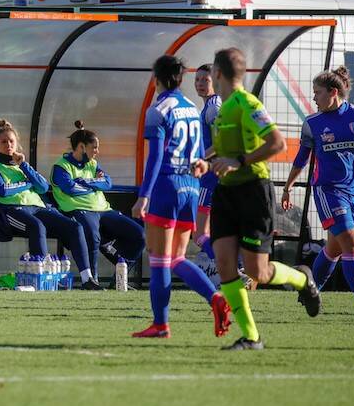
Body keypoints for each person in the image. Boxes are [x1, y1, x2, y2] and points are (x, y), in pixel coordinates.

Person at [191, 47, 321, 351]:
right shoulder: (221, 108)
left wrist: (240, 160)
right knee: (224, 263)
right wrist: (205, 162)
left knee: (256, 271)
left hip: (253, 192)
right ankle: (251, 337)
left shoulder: (247, 104)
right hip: (226, 192)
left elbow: (276, 143)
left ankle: (303, 280)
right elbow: (222, 151)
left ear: (217, 75)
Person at [131, 56, 230, 339]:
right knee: (176, 257)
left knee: (160, 258)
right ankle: (215, 298)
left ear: (157, 78)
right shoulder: (190, 108)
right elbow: (201, 151)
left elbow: (156, 156)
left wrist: (143, 196)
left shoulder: (159, 109)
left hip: (166, 186)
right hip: (190, 187)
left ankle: (161, 325)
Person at [281, 66, 354, 316]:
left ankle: (310, 291)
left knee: (333, 249)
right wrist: (288, 187)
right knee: (351, 245)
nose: (313, 98)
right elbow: (301, 159)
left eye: (317, 93)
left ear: (333, 92)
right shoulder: (312, 123)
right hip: (327, 191)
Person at [0, 119, 97, 289]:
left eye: (11, 141)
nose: (8, 145)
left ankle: (87, 278)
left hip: (38, 208)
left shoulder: (22, 166)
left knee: (75, 227)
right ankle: (41, 279)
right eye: (3, 142)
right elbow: (3, 190)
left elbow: (42, 186)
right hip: (12, 209)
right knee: (37, 227)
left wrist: (24, 165)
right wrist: (27, 183)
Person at [50, 120, 145, 285]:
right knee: (92, 237)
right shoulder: (61, 166)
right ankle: (92, 280)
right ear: (81, 147)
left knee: (139, 235)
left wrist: (86, 183)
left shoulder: (93, 164)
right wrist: (94, 185)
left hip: (103, 210)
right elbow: (70, 189)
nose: (97, 151)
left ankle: (119, 276)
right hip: (78, 209)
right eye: (94, 147)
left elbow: (107, 183)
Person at [193, 64, 222, 277]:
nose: (201, 84)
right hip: (212, 176)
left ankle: (228, 268)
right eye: (198, 80)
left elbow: (221, 142)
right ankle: (223, 268)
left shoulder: (214, 106)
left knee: (199, 233)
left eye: (206, 80)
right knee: (209, 232)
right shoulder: (208, 106)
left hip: (211, 177)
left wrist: (200, 159)